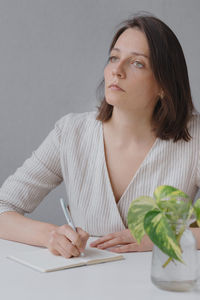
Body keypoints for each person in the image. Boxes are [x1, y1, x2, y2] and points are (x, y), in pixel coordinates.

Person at [0, 13, 200, 259]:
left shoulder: (194, 139)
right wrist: (49, 235)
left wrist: (161, 236)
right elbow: (2, 208)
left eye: (136, 63)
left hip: (164, 290)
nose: (117, 70)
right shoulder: (70, 133)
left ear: (163, 85)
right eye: (114, 57)